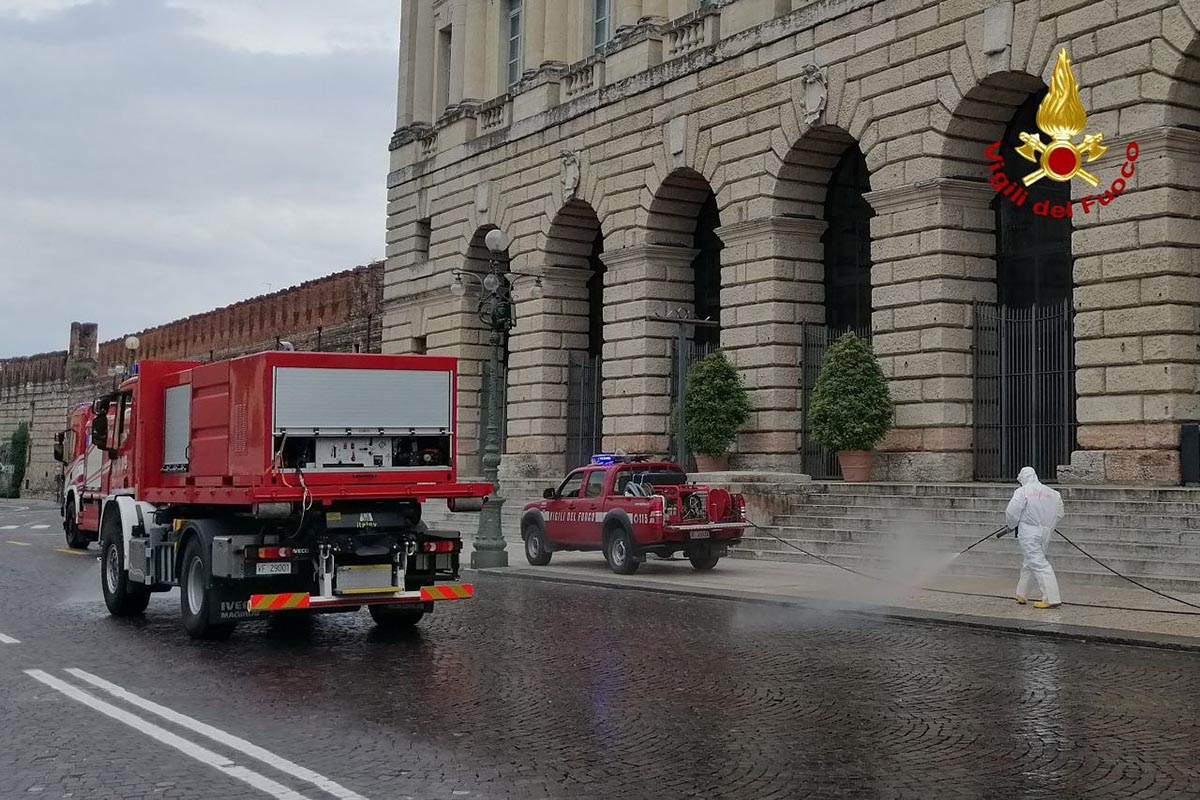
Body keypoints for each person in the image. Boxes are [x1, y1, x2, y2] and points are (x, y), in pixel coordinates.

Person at [1003, 466, 1064, 609]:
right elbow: (1060, 513)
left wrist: (1011, 525)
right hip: (1046, 531)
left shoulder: (1022, 491)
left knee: (1039, 563)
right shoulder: (1053, 493)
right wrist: (1049, 525)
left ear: (1023, 478)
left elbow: (1012, 513)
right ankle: (1022, 593)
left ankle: (1051, 598)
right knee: (1030, 561)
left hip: (1029, 532)